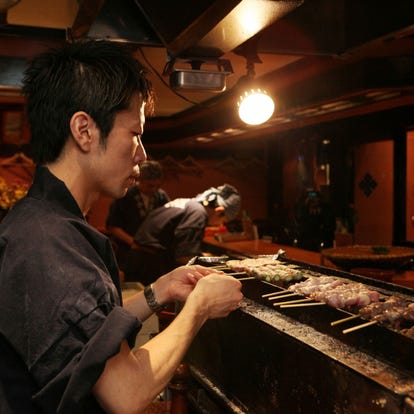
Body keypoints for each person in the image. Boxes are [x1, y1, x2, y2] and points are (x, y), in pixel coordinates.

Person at [0, 40, 243, 414]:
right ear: (84, 130)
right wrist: (200, 306)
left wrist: (157, 293)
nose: (142, 155)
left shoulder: (46, 224)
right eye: (135, 134)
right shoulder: (48, 242)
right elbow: (125, 393)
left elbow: (89, 336)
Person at [125, 184, 241, 284]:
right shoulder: (198, 213)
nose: (220, 225)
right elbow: (184, 257)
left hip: (136, 257)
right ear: (219, 210)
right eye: (224, 221)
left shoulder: (188, 203)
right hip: (149, 265)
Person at [106, 160, 169, 272]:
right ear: (140, 180)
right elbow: (113, 227)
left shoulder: (161, 197)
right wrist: (135, 244)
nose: (154, 189)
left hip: (153, 254)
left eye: (157, 186)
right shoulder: (125, 195)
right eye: (150, 186)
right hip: (128, 251)